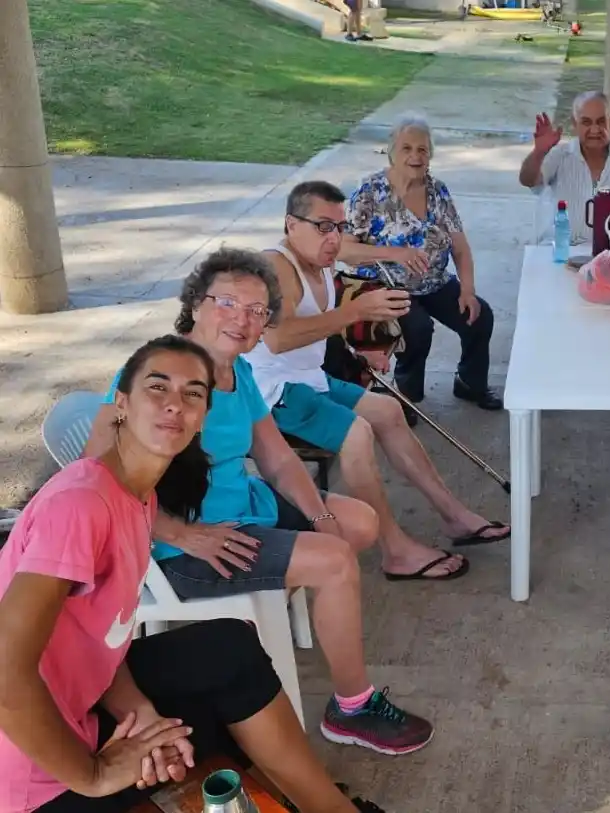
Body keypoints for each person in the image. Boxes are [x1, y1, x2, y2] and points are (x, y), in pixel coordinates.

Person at [0, 336, 385, 813]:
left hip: (84, 704)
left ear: (203, 416)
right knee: (229, 728)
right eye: (157, 388)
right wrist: (94, 775)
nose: (174, 405)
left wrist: (139, 712)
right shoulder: (80, 506)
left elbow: (97, 639)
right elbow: (5, 671)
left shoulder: (139, 496)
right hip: (34, 766)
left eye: (192, 394)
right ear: (120, 404)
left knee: (229, 650)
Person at [83, 249, 435, 757]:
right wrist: (179, 533)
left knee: (356, 522)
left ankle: (266, 608)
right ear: (195, 305)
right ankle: (351, 709)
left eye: (257, 310)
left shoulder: (236, 371)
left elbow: (277, 460)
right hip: (182, 546)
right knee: (335, 563)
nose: (242, 319)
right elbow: (95, 476)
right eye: (227, 302)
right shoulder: (160, 372)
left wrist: (321, 518)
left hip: (243, 507)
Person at [247, 179, 509, 572]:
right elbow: (278, 339)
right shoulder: (275, 267)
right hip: (271, 392)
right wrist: (357, 312)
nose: (333, 238)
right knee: (357, 434)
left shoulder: (318, 261)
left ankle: (453, 515)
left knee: (388, 411)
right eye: (322, 226)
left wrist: (357, 353)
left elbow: (316, 329)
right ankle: (395, 550)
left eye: (339, 227)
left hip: (308, 379)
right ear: (290, 224)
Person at [341, 114, 503, 411]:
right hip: (385, 283)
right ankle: (407, 397)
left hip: (434, 282)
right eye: (407, 148)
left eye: (423, 150)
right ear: (392, 152)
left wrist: (467, 290)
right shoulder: (370, 192)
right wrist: (395, 253)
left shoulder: (437, 191)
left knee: (480, 317)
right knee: (417, 327)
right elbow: (343, 250)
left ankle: (470, 382)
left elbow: (461, 248)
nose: (416, 156)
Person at [518, 91, 610, 245]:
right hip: (563, 253)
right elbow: (528, 180)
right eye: (586, 122)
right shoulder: (560, 155)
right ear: (575, 123)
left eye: (600, 121)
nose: (594, 130)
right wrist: (539, 152)